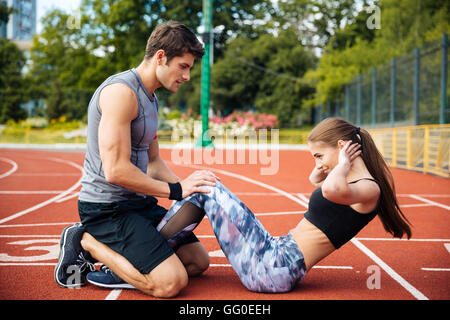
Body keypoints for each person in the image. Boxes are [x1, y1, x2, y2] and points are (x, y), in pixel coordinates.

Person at [54, 21, 220, 298]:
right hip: (108, 209)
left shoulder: (151, 98)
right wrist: (176, 191)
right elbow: (116, 171)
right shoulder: (121, 93)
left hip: (138, 203)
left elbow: (153, 163)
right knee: (170, 284)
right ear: (160, 57)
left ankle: (126, 263)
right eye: (184, 66)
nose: (188, 76)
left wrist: (190, 187)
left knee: (197, 262)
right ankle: (86, 240)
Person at [154, 117, 413, 292]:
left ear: (343, 147)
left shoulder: (368, 187)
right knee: (204, 186)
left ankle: (147, 254)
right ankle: (151, 251)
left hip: (275, 269)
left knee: (206, 186)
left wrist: (343, 163)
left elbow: (332, 189)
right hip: (276, 253)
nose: (318, 163)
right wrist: (330, 163)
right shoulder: (349, 180)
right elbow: (316, 179)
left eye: (320, 155)